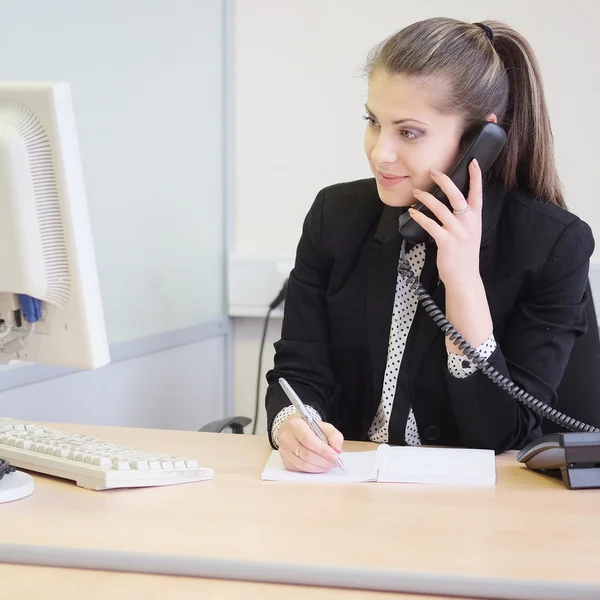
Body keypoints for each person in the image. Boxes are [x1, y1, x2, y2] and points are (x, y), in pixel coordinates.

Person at [264, 17, 595, 473]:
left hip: (486, 515)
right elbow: (299, 371)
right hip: (349, 495)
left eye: (409, 132)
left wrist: (462, 283)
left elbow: (501, 436)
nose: (380, 152)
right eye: (373, 122)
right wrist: (291, 424)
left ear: (481, 141)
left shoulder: (552, 245)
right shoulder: (334, 218)